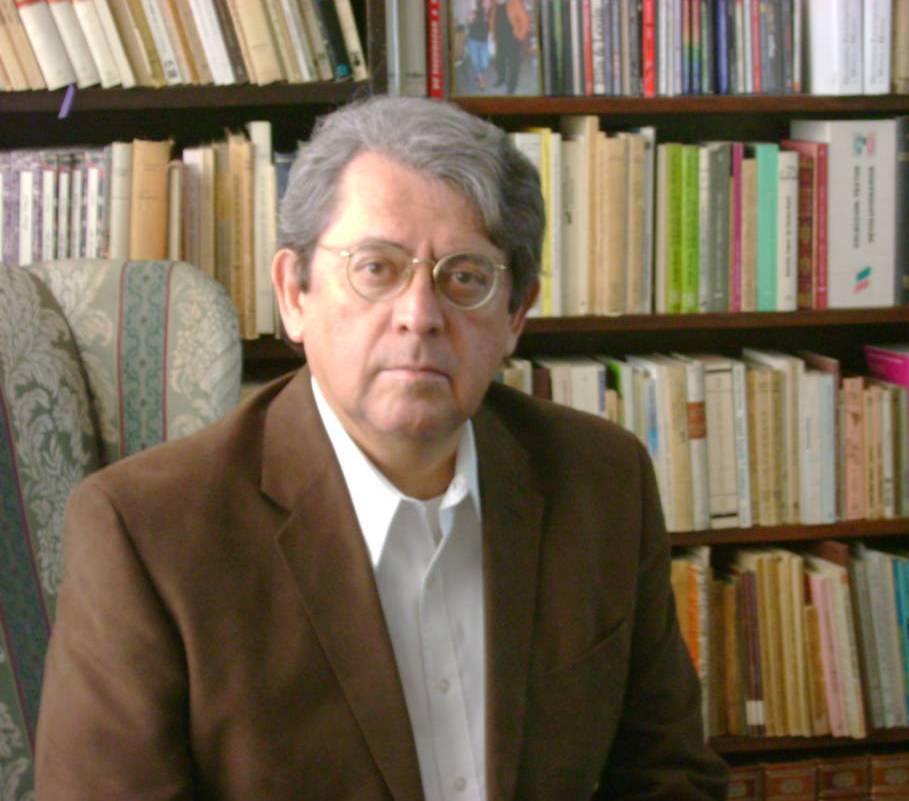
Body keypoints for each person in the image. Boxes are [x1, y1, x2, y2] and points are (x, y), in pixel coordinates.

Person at [35, 97, 729, 800]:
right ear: (294, 293)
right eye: (376, 268)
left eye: (465, 277)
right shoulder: (145, 534)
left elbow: (668, 776)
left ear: (515, 315)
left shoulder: (603, 480)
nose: (419, 316)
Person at [490, 0, 527, 93]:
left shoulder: (515, 2)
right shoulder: (495, 5)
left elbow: (525, 20)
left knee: (513, 64)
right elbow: (493, 21)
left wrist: (520, 37)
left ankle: (512, 86)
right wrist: (494, 35)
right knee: (499, 61)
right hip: (499, 38)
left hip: (512, 38)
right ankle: (501, 79)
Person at [466, 0, 490, 89]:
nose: (487, 4)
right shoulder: (476, 12)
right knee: (476, 62)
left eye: (489, 2)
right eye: (485, 2)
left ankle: (478, 73)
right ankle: (481, 79)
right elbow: (469, 25)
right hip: (473, 41)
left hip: (484, 42)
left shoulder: (491, 14)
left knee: (485, 63)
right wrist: (469, 20)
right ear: (482, 3)